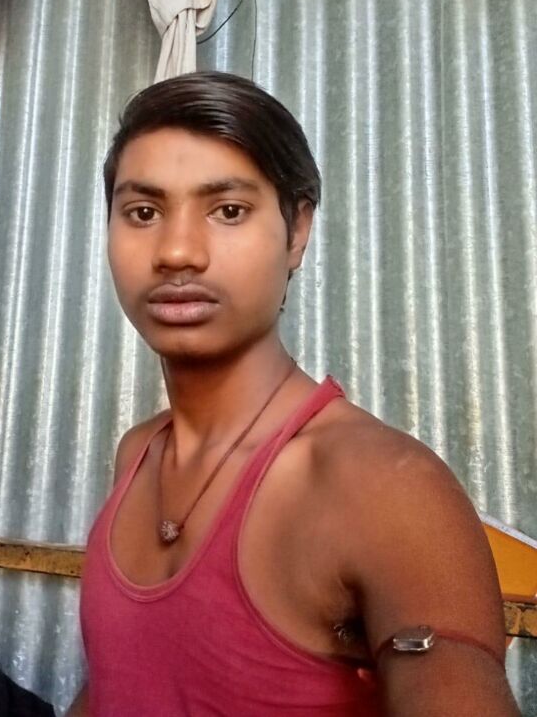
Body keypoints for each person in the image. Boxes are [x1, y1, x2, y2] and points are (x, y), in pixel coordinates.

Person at [68, 72, 520, 716]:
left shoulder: (383, 486)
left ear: (298, 230)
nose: (176, 251)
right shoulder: (137, 454)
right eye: (143, 212)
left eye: (228, 210)